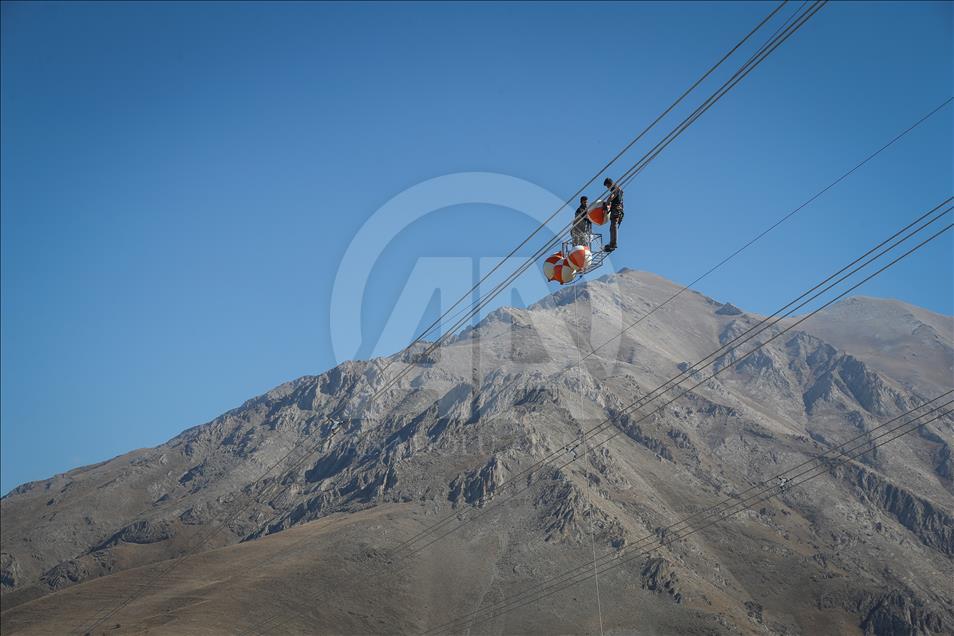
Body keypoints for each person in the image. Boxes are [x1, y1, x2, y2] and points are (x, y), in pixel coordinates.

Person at [603, 177, 624, 252]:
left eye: (607, 186)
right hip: (618, 210)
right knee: (612, 227)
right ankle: (612, 243)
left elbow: (613, 195)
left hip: (616, 210)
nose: (608, 188)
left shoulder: (615, 188)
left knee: (613, 227)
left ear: (610, 184)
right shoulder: (620, 189)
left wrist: (607, 203)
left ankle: (613, 244)